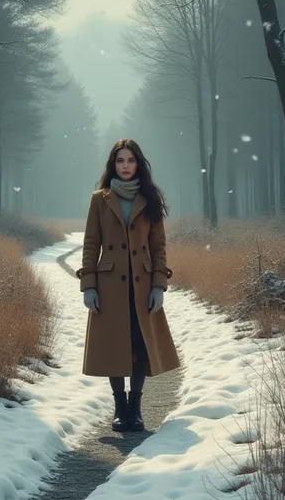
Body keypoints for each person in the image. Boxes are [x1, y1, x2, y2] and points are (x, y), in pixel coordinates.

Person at [76, 139, 180, 432]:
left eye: (130, 160)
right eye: (120, 161)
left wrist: (159, 285)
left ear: (138, 164)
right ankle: (119, 407)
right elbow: (90, 244)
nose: (125, 166)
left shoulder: (149, 198)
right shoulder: (99, 199)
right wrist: (89, 286)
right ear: (113, 164)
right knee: (113, 345)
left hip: (142, 284)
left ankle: (135, 408)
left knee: (139, 345)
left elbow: (158, 247)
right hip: (109, 285)